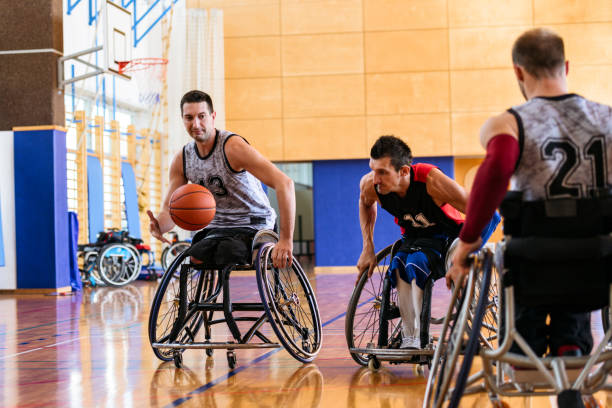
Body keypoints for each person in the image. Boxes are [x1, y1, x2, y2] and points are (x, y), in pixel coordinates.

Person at [448, 28, 611, 362]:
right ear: (565, 67)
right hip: (595, 262)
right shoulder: (606, 119)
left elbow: (495, 171)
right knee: (585, 247)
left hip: (531, 260)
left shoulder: (508, 123)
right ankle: (573, 344)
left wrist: (467, 241)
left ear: (518, 71)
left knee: (529, 258)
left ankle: (526, 348)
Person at [357, 135, 499, 349]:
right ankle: (412, 338)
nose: (375, 179)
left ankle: (459, 328)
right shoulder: (371, 185)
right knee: (402, 266)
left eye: (382, 172)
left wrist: (464, 253)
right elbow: (365, 204)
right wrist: (368, 246)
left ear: (404, 171)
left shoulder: (432, 181)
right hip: (416, 239)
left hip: (451, 237)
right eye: (373, 169)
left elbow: (488, 214)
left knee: (425, 264)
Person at [147, 90, 295, 268]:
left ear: (212, 116)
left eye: (202, 116)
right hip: (217, 227)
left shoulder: (233, 147)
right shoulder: (183, 159)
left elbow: (284, 183)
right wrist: (159, 226)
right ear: (183, 119)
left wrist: (286, 240)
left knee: (227, 253)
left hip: (254, 224)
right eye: (189, 118)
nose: (196, 124)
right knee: (194, 255)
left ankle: (224, 293)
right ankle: (205, 297)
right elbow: (169, 212)